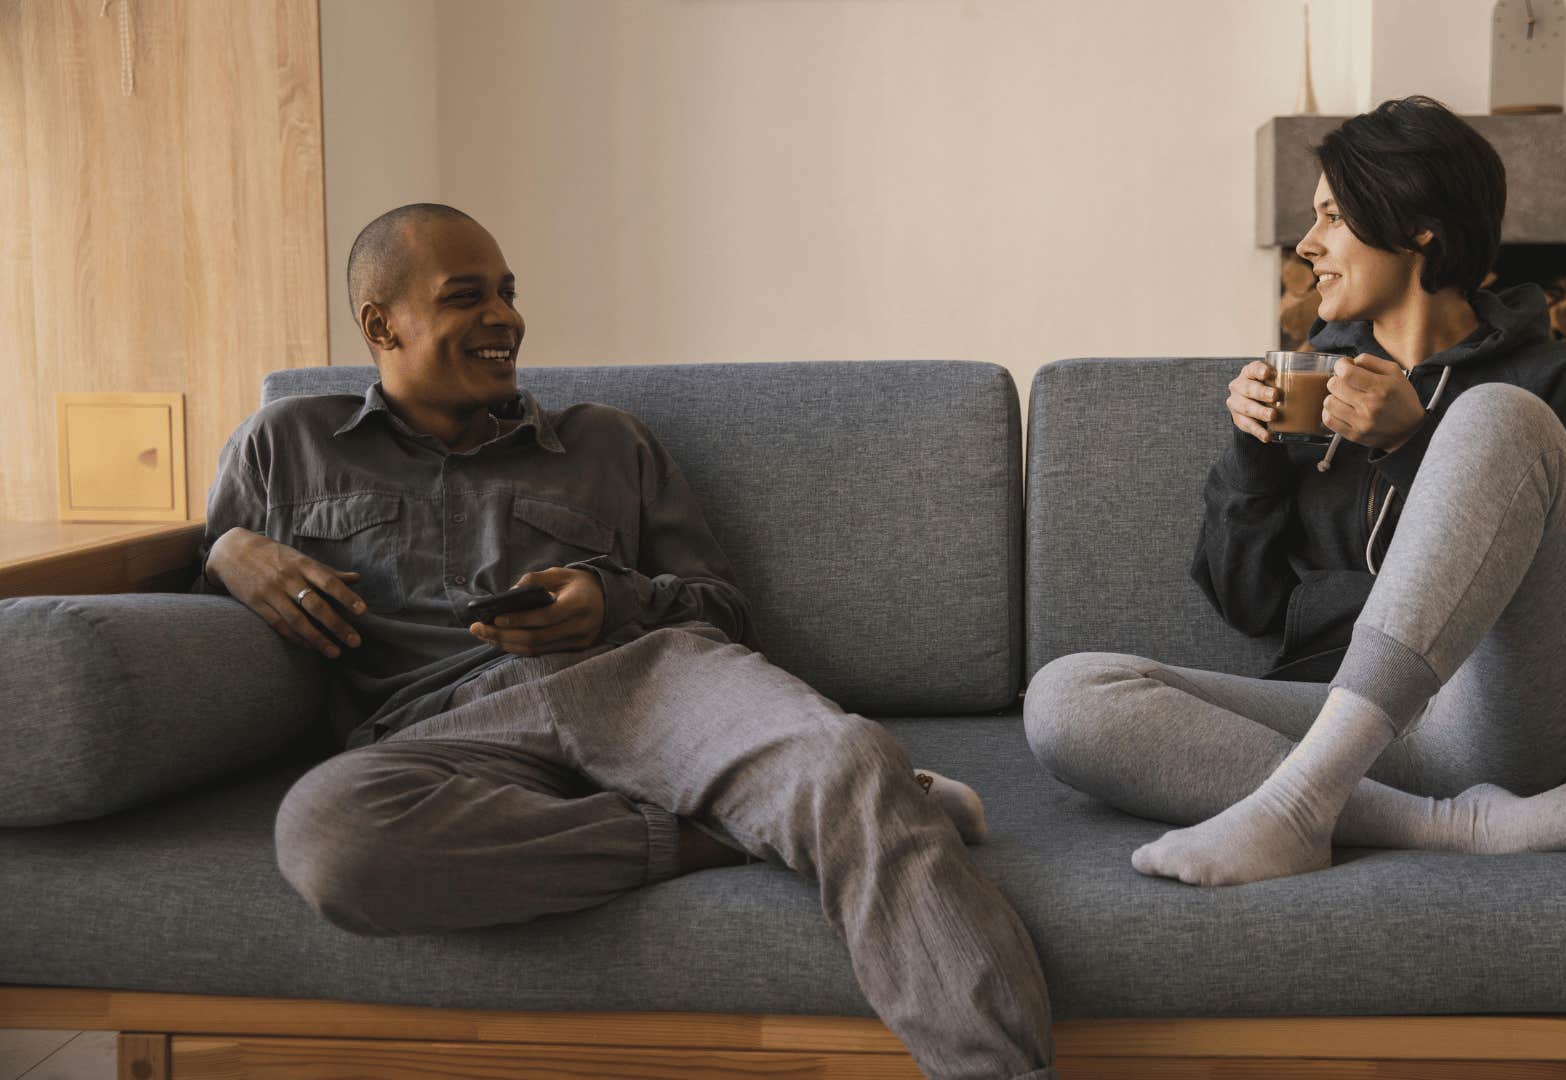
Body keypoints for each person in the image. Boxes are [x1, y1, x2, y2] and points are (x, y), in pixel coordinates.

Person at [199, 203, 1055, 1079]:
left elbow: (724, 612)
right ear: (382, 323)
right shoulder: (285, 444)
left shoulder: (605, 441)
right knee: (328, 835)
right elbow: (199, 605)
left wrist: (611, 599)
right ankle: (736, 832)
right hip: (444, 733)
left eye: (508, 293)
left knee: (846, 757)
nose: (505, 318)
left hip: (646, 681)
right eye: (467, 297)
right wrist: (229, 551)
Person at [1024, 96, 1566, 886]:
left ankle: (1297, 809)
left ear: (1416, 225)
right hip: (1356, 728)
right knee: (1067, 697)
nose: (1307, 244)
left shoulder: (1550, 379)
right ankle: (1447, 824)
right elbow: (1249, 605)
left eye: (1332, 216)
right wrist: (1251, 454)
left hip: (1512, 711)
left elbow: (1559, 585)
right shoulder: (1310, 379)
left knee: (1498, 416)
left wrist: (1414, 441)